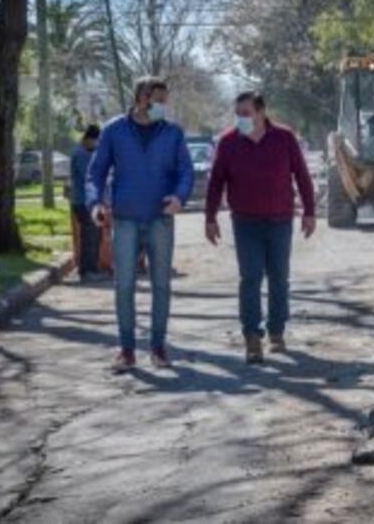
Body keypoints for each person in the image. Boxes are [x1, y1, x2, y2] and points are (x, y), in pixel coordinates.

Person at [87, 77, 194, 372]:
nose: (162, 106)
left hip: (161, 218)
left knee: (161, 285)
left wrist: (180, 197)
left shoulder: (172, 133)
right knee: (124, 285)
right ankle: (126, 349)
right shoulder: (114, 130)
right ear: (141, 99)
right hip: (125, 219)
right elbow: (96, 172)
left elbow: (185, 171)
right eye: (158, 100)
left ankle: (158, 347)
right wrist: (95, 203)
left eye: (165, 100)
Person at [205, 92, 316, 364]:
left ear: (261, 112)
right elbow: (216, 181)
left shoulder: (284, 138)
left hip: (280, 220)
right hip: (245, 222)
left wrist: (309, 212)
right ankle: (252, 337)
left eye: (246, 113)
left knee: (279, 277)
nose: (241, 119)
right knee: (250, 277)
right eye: (238, 114)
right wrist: (210, 218)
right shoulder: (228, 142)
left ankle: (276, 331)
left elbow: (302, 176)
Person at [70, 125, 104, 282]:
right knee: (91, 235)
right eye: (96, 141)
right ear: (89, 139)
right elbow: (89, 176)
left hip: (88, 202)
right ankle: (88, 270)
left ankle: (90, 269)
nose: (97, 144)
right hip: (82, 201)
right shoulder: (81, 154)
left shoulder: (87, 152)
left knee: (93, 234)